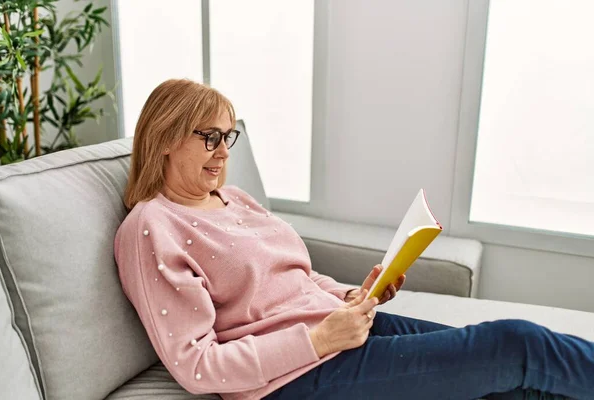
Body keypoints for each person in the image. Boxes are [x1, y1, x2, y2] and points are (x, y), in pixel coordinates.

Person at [114, 79, 594, 400]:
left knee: (509, 382)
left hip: (340, 329)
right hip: (295, 378)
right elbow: (197, 365)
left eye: (227, 137)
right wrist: (318, 340)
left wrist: (349, 294)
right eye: (208, 138)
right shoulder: (152, 226)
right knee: (514, 344)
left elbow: (295, 279)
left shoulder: (233, 198)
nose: (222, 152)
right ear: (166, 137)